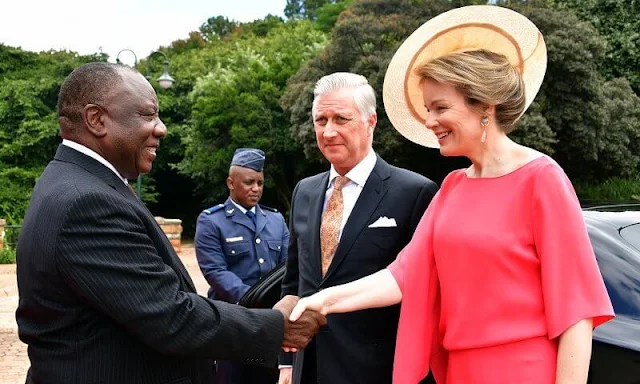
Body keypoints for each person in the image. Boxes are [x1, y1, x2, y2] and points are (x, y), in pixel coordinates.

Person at [288, 6, 615, 384]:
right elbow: (402, 275)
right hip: (458, 372)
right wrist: (321, 300)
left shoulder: (542, 179)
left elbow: (576, 313)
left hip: (522, 371)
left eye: (440, 108)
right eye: (428, 109)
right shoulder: (453, 186)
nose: (428, 122)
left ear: (485, 106)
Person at [15, 62, 326, 384]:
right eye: (148, 115)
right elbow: (169, 316)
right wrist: (278, 325)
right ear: (97, 120)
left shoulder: (74, 182)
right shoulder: (87, 201)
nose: (161, 128)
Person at [278, 72, 439, 384]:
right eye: (320, 119)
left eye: (341, 118)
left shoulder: (414, 192)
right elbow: (293, 282)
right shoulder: (305, 192)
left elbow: (424, 295)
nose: (328, 131)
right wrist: (286, 361)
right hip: (308, 368)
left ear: (371, 121)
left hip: (378, 369)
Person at [195, 147, 289, 384]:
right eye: (249, 182)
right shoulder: (212, 221)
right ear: (230, 182)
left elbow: (288, 266)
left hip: (268, 322)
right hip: (230, 321)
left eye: (260, 182)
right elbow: (215, 271)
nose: (256, 189)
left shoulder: (275, 220)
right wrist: (255, 301)